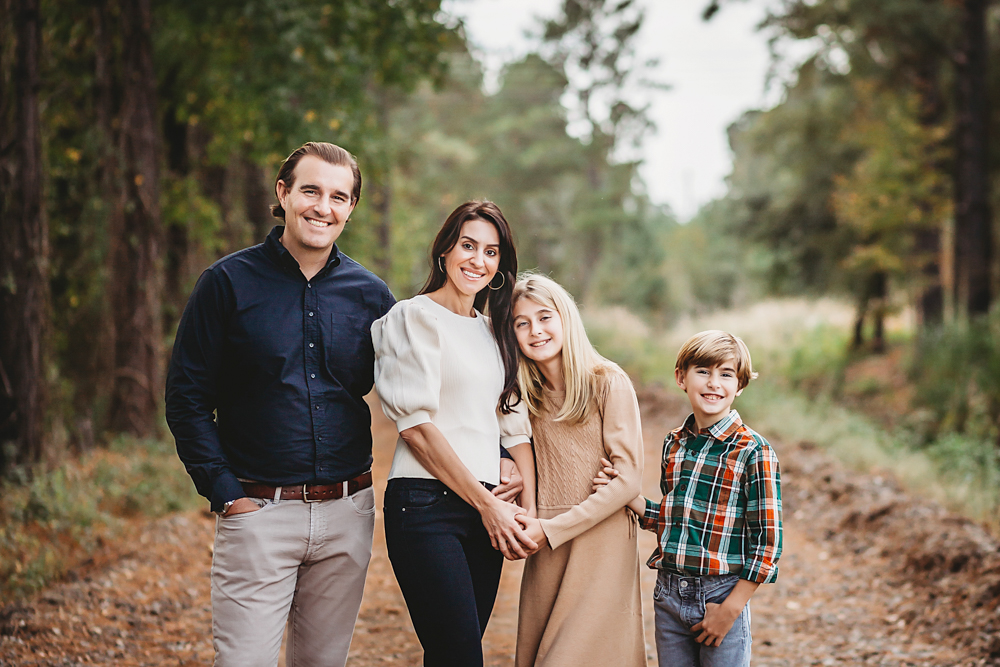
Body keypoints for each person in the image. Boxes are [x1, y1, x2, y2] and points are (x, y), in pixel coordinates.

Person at [164, 142, 395, 667]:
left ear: (351, 208)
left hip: (347, 512)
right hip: (257, 512)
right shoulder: (225, 284)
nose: (323, 207)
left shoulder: (372, 295)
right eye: (311, 190)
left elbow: (426, 390)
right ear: (283, 194)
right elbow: (186, 398)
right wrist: (227, 496)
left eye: (339, 196)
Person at [371, 200, 537, 667]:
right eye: (468, 246)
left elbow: (514, 425)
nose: (477, 261)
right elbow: (416, 428)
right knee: (460, 654)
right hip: (426, 506)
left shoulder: (495, 332)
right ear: (444, 250)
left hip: (489, 512)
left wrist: (528, 509)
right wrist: (488, 507)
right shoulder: (413, 317)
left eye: (491, 251)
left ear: (500, 265)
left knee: (452, 654)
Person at [614, 330, 782, 667]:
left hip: (721, 596)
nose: (713, 383)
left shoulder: (753, 451)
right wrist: (625, 494)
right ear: (681, 378)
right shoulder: (674, 443)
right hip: (669, 594)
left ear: (740, 385)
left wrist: (731, 609)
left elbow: (768, 543)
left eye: (726, 374)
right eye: (703, 371)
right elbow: (674, 519)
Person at [510, 274, 646, 667]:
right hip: (546, 545)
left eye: (545, 317)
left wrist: (550, 530)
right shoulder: (523, 395)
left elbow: (628, 480)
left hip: (599, 540)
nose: (536, 331)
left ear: (566, 318)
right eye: (522, 323)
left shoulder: (608, 382)